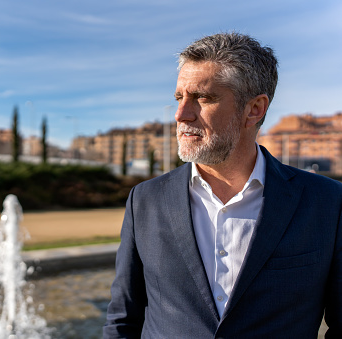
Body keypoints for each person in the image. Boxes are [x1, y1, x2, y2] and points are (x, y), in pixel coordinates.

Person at [103, 32, 342, 338]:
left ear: (254, 109)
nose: (181, 114)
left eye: (203, 98)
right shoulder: (145, 200)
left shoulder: (326, 203)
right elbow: (123, 319)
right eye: (179, 97)